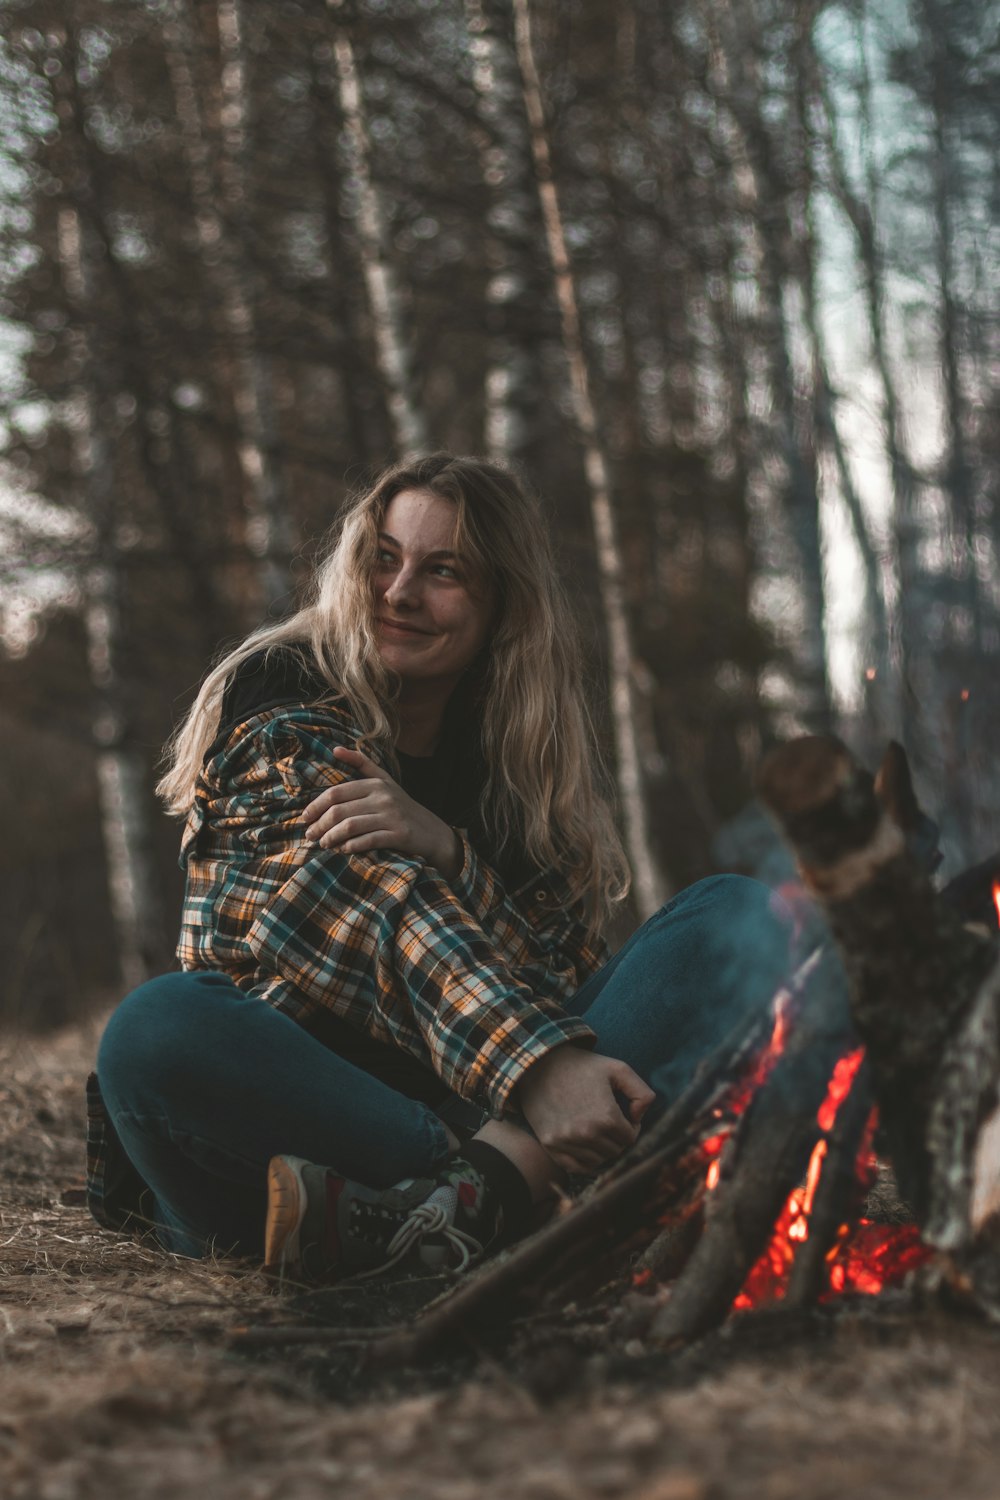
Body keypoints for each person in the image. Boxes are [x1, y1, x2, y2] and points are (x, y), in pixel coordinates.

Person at [88, 453, 789, 1282]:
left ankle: (460, 1214)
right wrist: (539, 1069)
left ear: (501, 606)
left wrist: (450, 850)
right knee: (156, 1030)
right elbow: (355, 898)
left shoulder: (512, 762)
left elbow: (563, 970)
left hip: (478, 1110)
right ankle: (510, 1194)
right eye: (384, 556)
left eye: (444, 570)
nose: (400, 591)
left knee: (737, 916)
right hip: (290, 1132)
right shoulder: (282, 692)